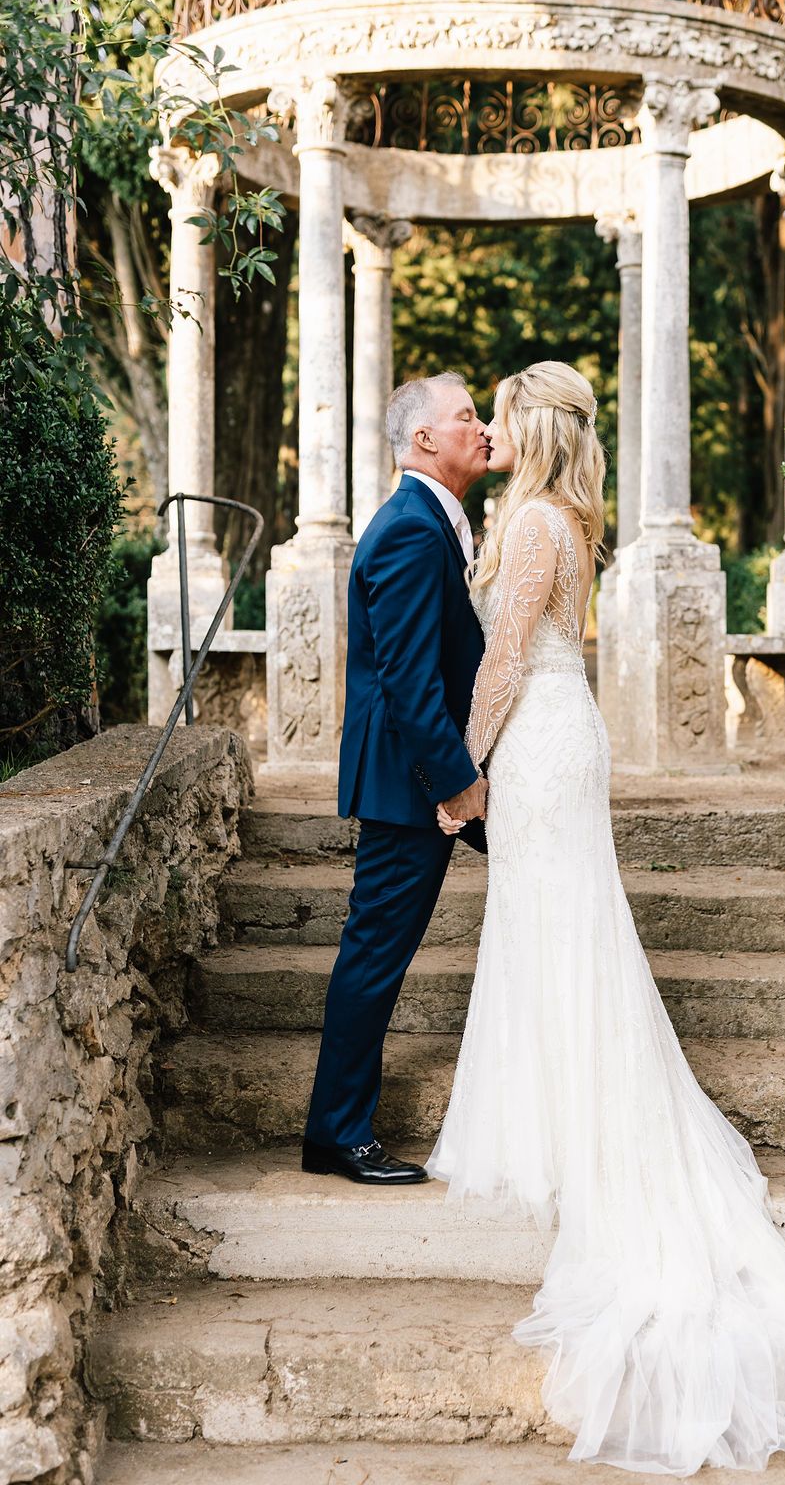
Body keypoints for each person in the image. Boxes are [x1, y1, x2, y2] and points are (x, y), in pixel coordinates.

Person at [426, 359, 785, 1476]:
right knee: (552, 933)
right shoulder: (553, 514)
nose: (487, 431)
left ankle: (589, 1127)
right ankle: (556, 1108)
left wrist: (461, 767)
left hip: (539, 742)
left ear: (527, 430)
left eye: (497, 417)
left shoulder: (537, 523)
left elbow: (501, 659)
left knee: (563, 933)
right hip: (560, 737)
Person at [302, 372, 490, 1185]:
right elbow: (411, 682)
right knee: (374, 953)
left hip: (419, 777)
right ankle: (338, 1132)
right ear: (424, 440)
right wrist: (456, 785)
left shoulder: (435, 522)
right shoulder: (411, 529)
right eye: (466, 416)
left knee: (377, 949)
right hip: (408, 783)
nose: (481, 428)